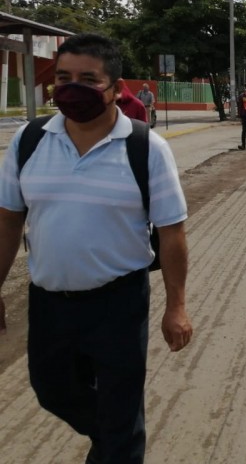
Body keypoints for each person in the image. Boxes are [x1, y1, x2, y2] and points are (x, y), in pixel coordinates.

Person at [0, 33, 191, 464]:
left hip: (118, 302)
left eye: (88, 79)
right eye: (63, 77)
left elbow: (172, 233)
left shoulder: (146, 148)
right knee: (52, 391)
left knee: (121, 408)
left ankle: (118, 443)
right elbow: (8, 219)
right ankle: (114, 440)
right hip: (49, 301)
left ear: (115, 88)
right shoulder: (29, 141)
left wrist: (176, 306)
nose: (72, 88)